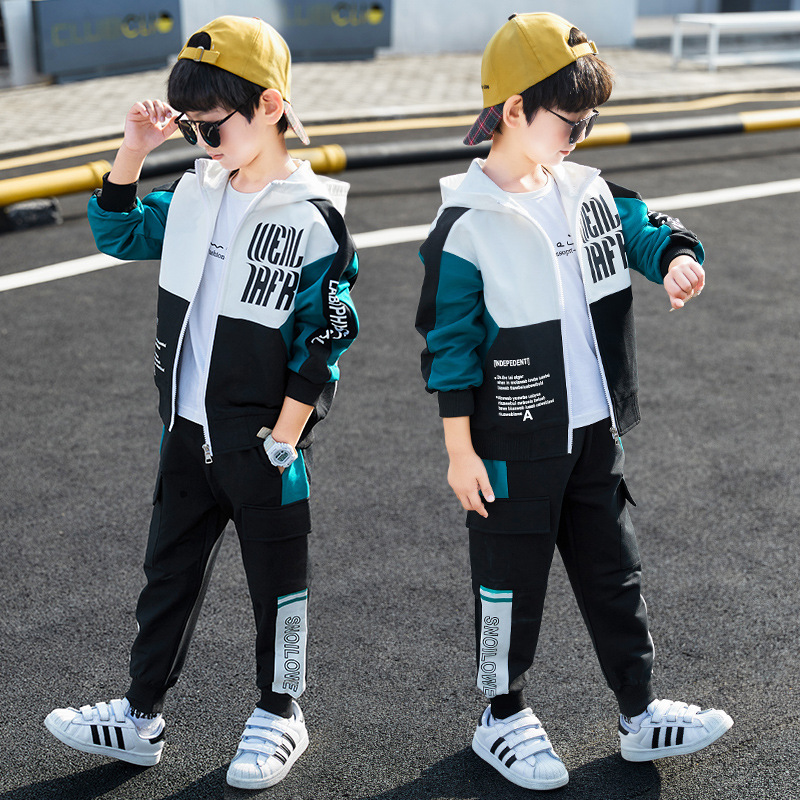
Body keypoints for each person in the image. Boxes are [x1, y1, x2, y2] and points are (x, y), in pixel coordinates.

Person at [415, 12, 731, 792]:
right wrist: (459, 450)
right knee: (507, 584)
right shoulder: (465, 223)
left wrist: (677, 258)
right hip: (509, 444)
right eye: (570, 120)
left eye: (590, 121)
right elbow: (448, 344)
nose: (581, 135)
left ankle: (639, 712)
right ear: (513, 109)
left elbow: (643, 228)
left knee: (614, 575)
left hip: (594, 434)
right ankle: (501, 715)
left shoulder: (586, 190)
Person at [44, 16, 358, 791]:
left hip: (265, 444)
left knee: (278, 585)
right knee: (168, 577)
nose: (203, 142)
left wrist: (284, 438)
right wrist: (133, 150)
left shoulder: (313, 214)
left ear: (270, 105)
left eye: (213, 126)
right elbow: (117, 232)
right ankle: (140, 715)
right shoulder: (193, 191)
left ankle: (281, 712)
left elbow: (327, 336)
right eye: (191, 128)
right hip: (185, 432)